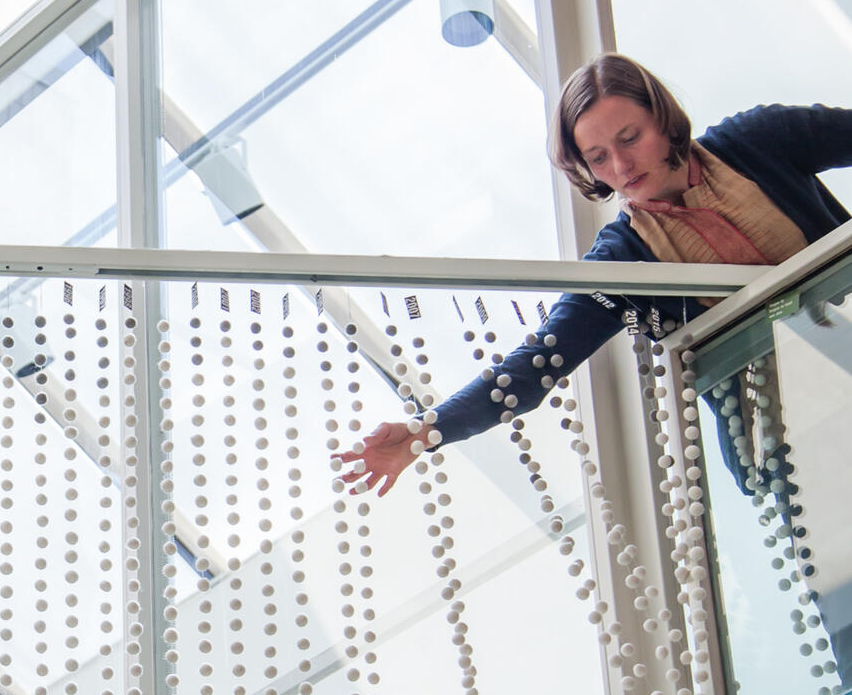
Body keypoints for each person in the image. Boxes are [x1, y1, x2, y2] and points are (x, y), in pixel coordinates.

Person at [335, 52, 852, 497]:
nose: (622, 166)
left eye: (631, 137)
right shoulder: (620, 261)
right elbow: (536, 365)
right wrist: (427, 430)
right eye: (598, 156)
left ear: (665, 120)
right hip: (798, 447)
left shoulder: (758, 141)